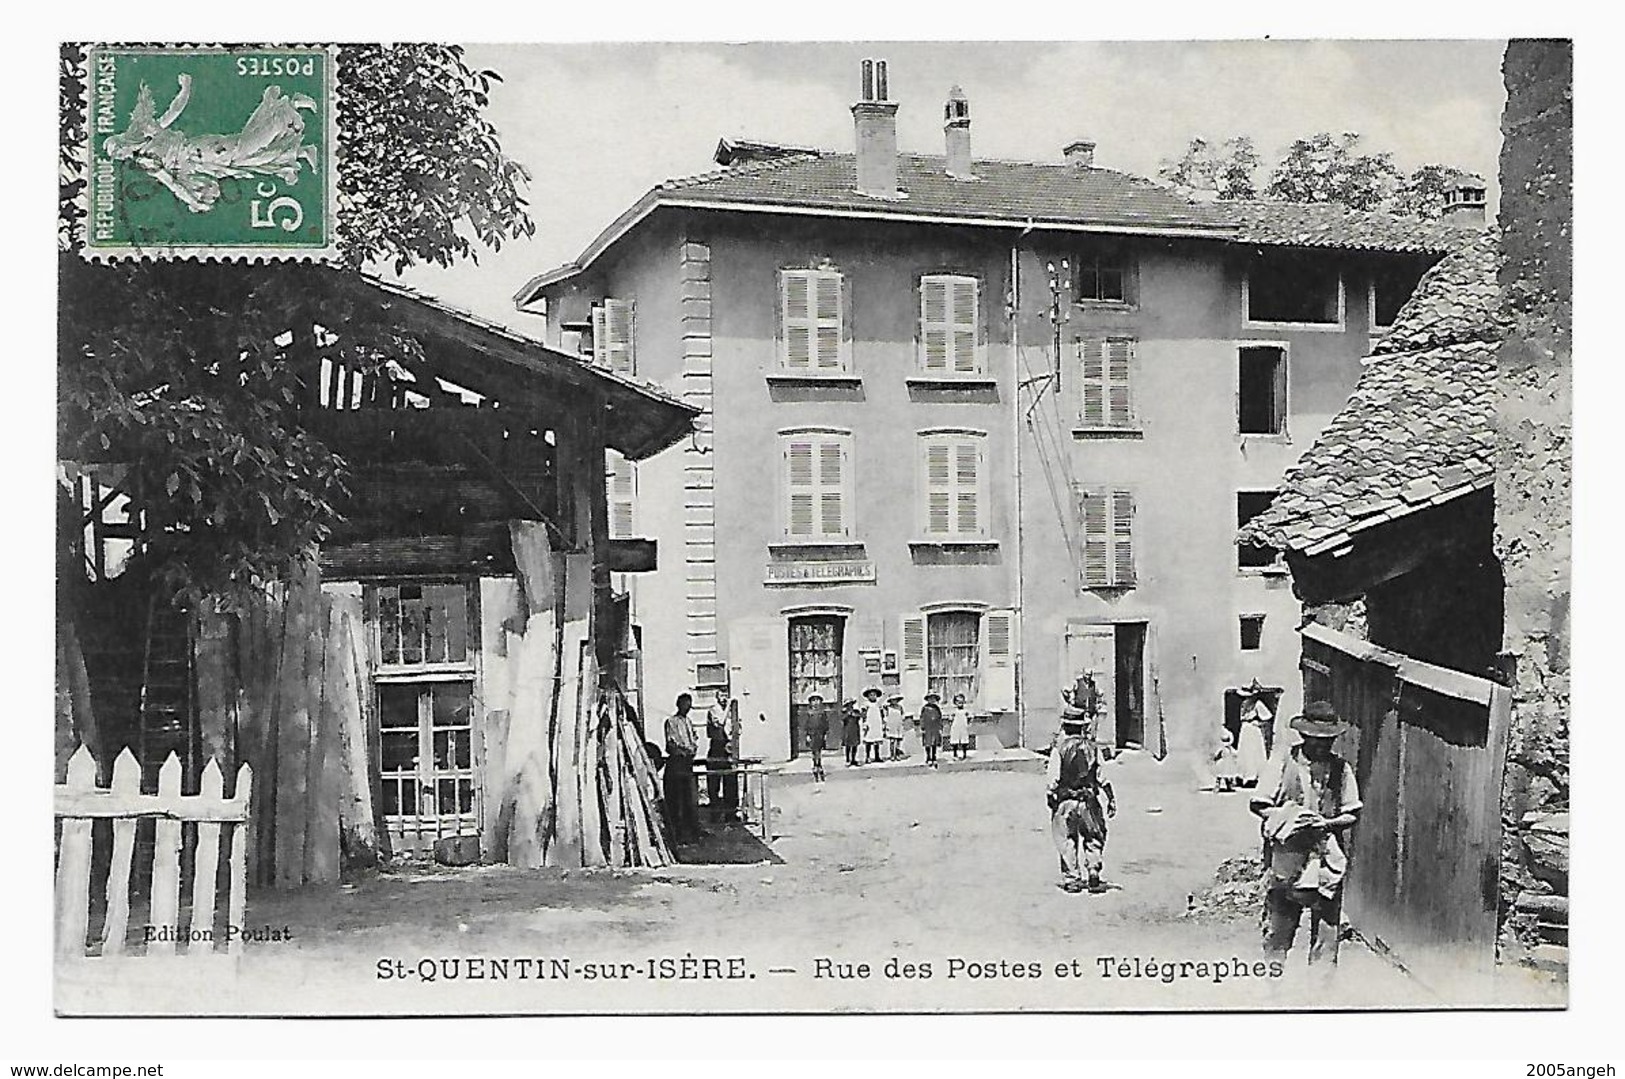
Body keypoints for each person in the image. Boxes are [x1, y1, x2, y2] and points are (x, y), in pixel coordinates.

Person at [1249, 701, 1362, 966]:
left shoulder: (1340, 769)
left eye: (1328, 740)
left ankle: (1320, 995)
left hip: (1324, 856)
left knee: (1327, 931)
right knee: (1279, 929)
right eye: (1316, 740)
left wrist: (1327, 823)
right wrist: (1287, 819)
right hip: (1288, 856)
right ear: (1305, 735)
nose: (1322, 746)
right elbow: (1258, 803)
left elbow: (1352, 812)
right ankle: (1272, 987)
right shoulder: (1283, 761)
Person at [1046, 705, 1117, 893]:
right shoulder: (1093, 749)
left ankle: (1072, 878)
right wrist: (1110, 799)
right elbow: (1103, 777)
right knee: (1094, 835)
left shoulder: (1059, 750)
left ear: (1065, 727)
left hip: (1066, 801)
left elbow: (1053, 780)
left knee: (1066, 838)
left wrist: (1051, 798)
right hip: (1089, 800)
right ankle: (1093, 869)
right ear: (1081, 727)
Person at [662, 693, 701, 844]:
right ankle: (677, 835)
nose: (687, 707)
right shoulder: (671, 722)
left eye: (689, 704)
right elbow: (671, 745)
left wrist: (692, 750)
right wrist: (683, 752)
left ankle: (691, 833)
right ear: (678, 705)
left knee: (689, 800)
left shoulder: (689, 722)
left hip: (687, 764)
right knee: (676, 801)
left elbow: (694, 740)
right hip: (676, 765)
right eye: (685, 704)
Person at [704, 690, 739, 822]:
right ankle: (715, 814)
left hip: (727, 748)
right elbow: (720, 723)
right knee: (714, 783)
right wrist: (729, 707)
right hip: (716, 747)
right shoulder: (714, 710)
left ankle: (731, 814)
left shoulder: (729, 713)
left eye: (726, 696)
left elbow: (733, 728)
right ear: (717, 698)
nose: (724, 699)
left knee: (730, 782)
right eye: (721, 696)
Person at [1236, 680, 1273, 786]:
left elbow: (1267, 716)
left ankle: (1252, 777)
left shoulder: (1257, 704)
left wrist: (1258, 722)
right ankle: (1242, 775)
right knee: (1244, 751)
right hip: (1245, 729)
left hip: (1253, 729)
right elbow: (1242, 717)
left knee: (1253, 752)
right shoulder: (1243, 704)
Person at [802, 693, 830, 782]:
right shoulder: (809, 713)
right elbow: (806, 725)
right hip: (812, 734)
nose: (815, 703)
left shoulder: (822, 713)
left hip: (820, 734)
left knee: (819, 750)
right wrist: (807, 735)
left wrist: (825, 734)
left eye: (817, 700)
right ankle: (815, 765)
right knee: (814, 751)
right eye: (813, 701)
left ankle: (819, 765)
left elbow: (825, 724)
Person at [918, 691, 944, 768]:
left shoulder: (937, 708)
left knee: (934, 743)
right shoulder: (925, 708)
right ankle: (928, 757)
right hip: (927, 727)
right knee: (928, 743)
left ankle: (934, 757)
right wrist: (922, 727)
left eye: (933, 699)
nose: (932, 700)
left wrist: (940, 727)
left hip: (935, 727)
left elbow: (939, 718)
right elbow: (922, 718)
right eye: (930, 698)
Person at [861, 687, 885, 764]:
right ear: (868, 696)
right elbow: (864, 715)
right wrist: (864, 723)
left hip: (877, 723)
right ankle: (867, 757)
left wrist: (883, 722)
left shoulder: (879, 704)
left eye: (874, 695)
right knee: (869, 740)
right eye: (871, 695)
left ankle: (877, 756)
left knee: (876, 740)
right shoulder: (866, 704)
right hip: (869, 723)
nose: (872, 696)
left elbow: (882, 714)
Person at [947, 693, 972, 761]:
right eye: (958, 701)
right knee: (955, 740)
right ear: (955, 702)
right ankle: (955, 754)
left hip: (963, 727)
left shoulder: (965, 711)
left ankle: (964, 754)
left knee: (964, 740)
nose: (960, 703)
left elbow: (970, 717)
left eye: (961, 702)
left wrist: (968, 723)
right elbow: (950, 718)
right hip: (956, 726)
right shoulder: (954, 711)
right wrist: (951, 722)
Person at [883, 693, 906, 761]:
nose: (894, 701)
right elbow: (885, 716)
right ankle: (892, 755)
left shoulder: (900, 707)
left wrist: (902, 722)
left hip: (898, 725)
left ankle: (897, 754)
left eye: (895, 700)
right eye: (892, 700)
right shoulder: (888, 708)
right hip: (891, 725)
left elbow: (903, 715)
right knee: (892, 741)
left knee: (898, 741)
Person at [841, 698, 863, 767]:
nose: (850, 706)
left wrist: (855, 714)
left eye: (851, 704)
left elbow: (860, 716)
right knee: (848, 745)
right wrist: (848, 714)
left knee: (855, 745)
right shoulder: (844, 712)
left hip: (855, 729)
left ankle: (854, 759)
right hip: (848, 730)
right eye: (848, 704)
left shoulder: (856, 711)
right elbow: (842, 719)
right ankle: (848, 759)